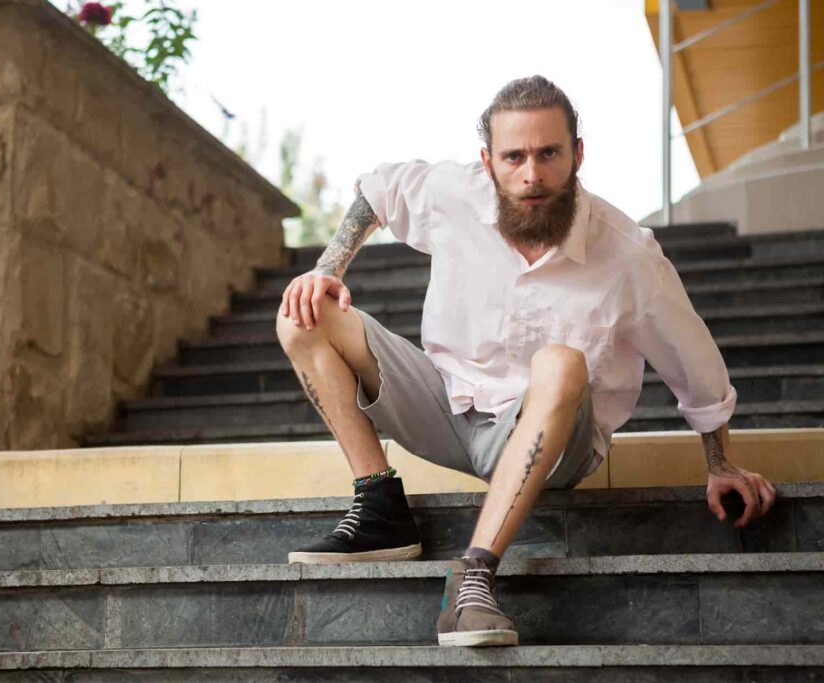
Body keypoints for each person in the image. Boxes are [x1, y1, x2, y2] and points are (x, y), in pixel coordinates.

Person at [274, 75, 777, 648]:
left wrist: (720, 461)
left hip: (555, 447)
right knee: (302, 310)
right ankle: (380, 505)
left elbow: (696, 363)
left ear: (577, 154)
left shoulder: (629, 255)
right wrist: (328, 268)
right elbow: (380, 190)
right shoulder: (454, 193)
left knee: (562, 362)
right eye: (514, 157)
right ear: (487, 162)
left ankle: (474, 578)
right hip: (451, 408)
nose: (532, 175)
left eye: (548, 154)